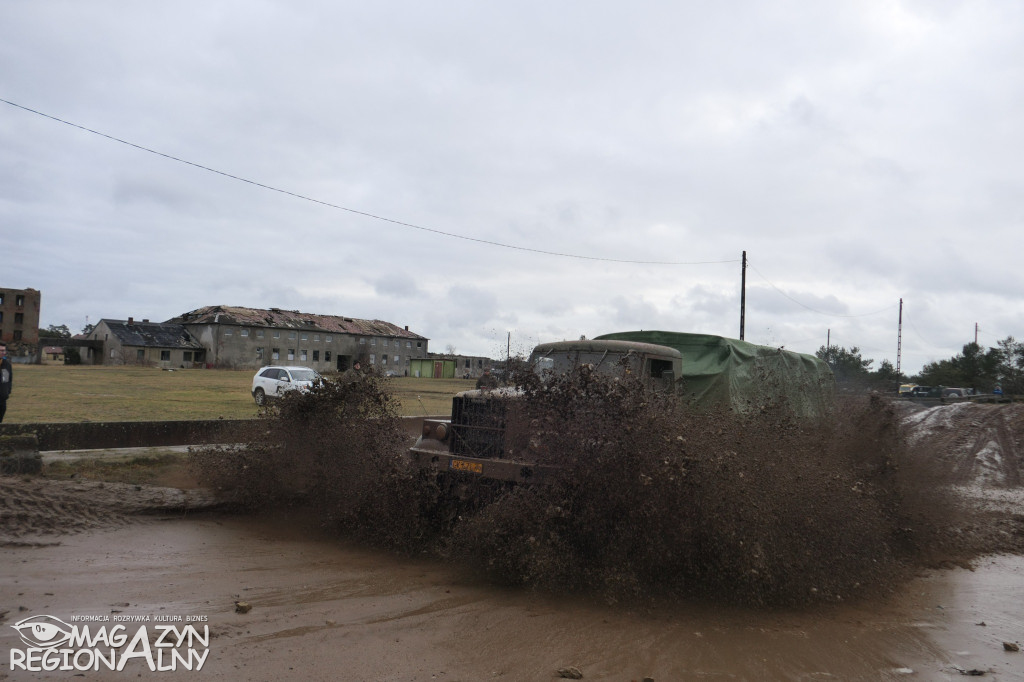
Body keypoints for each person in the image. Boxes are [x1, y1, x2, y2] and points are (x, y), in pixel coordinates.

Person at [0, 342, 11, 423]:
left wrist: (7, 391)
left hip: (2, 399)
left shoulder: (6, 364)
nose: (3, 352)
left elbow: (8, 380)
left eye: (4, 351)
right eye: (1, 350)